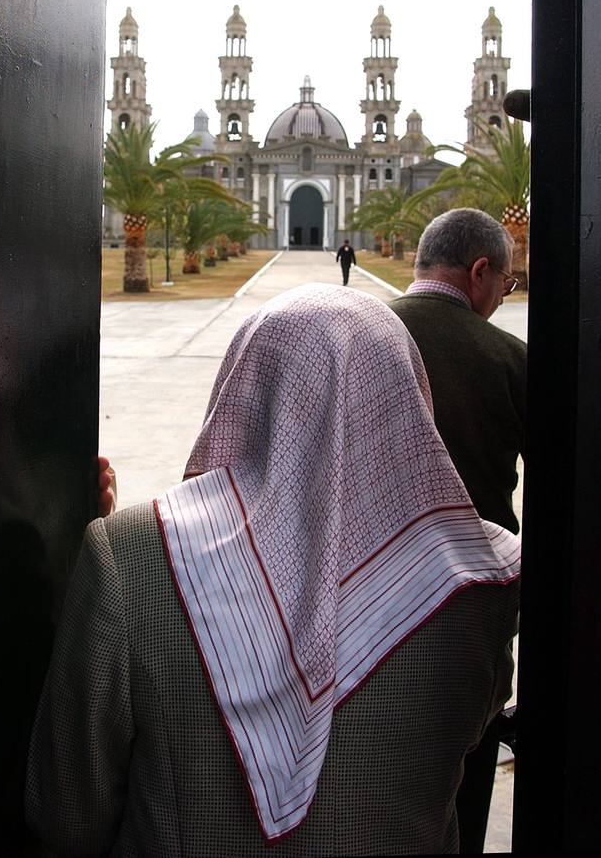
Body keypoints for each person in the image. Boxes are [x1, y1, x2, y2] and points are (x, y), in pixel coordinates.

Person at [26, 284, 520, 857]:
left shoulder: (130, 555)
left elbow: (66, 815)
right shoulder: (482, 577)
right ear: (405, 397)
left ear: (243, 389)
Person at [391, 207, 526, 853]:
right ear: (479, 271)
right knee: (461, 777)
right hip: (467, 612)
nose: (504, 296)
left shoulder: (355, 336)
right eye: (506, 284)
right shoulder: (507, 358)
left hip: (349, 613)